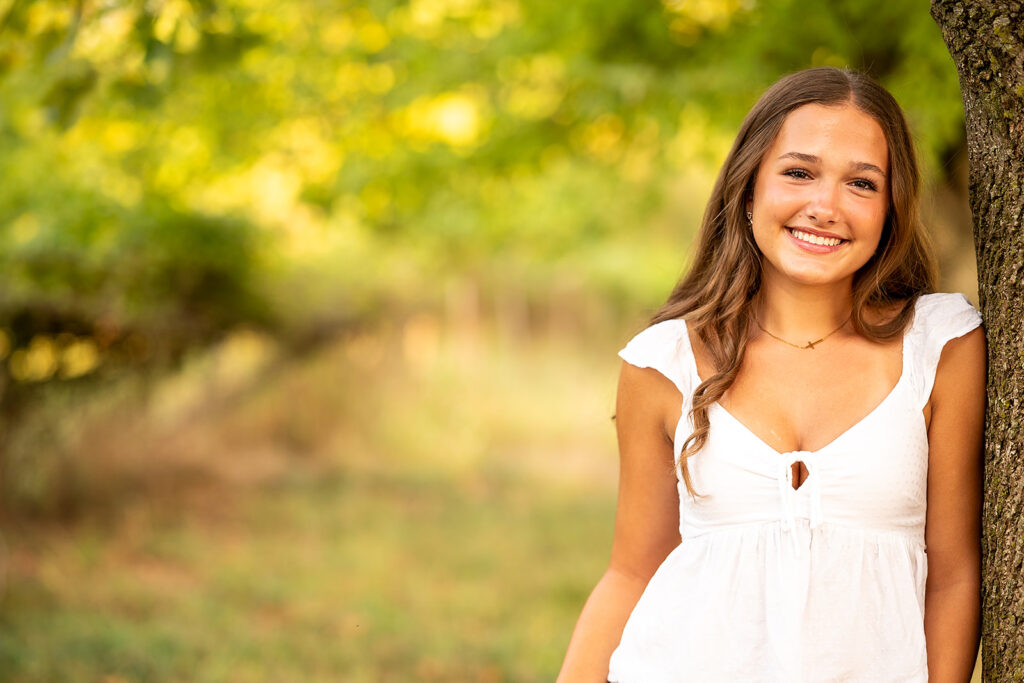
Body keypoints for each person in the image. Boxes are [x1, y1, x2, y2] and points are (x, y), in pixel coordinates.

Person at [557, 67, 985, 682]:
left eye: (861, 183)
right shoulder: (663, 363)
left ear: (891, 208)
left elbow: (953, 577)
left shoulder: (940, 346)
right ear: (749, 187)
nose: (825, 206)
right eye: (799, 172)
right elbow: (632, 571)